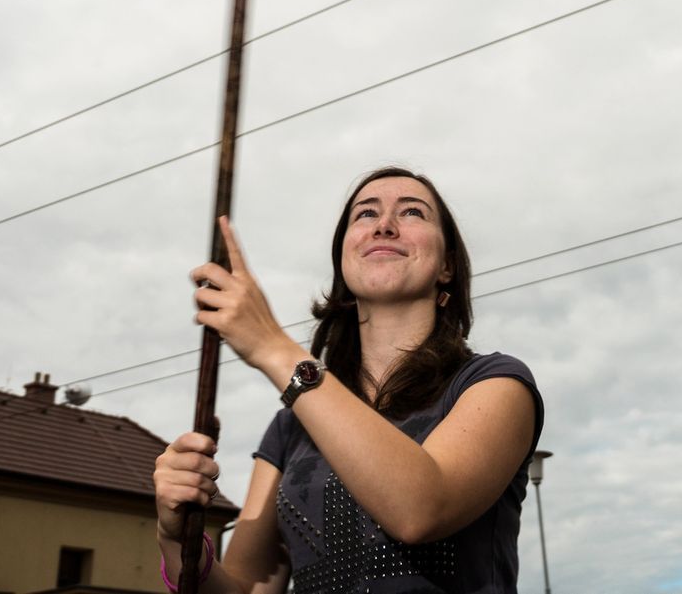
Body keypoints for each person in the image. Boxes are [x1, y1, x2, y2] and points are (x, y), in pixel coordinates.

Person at [154, 167, 542, 593]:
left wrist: (272, 348)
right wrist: (176, 537)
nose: (384, 225)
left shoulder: (495, 384)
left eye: (412, 212)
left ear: (447, 265)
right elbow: (246, 588)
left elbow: (421, 509)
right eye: (365, 214)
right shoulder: (291, 428)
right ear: (344, 256)